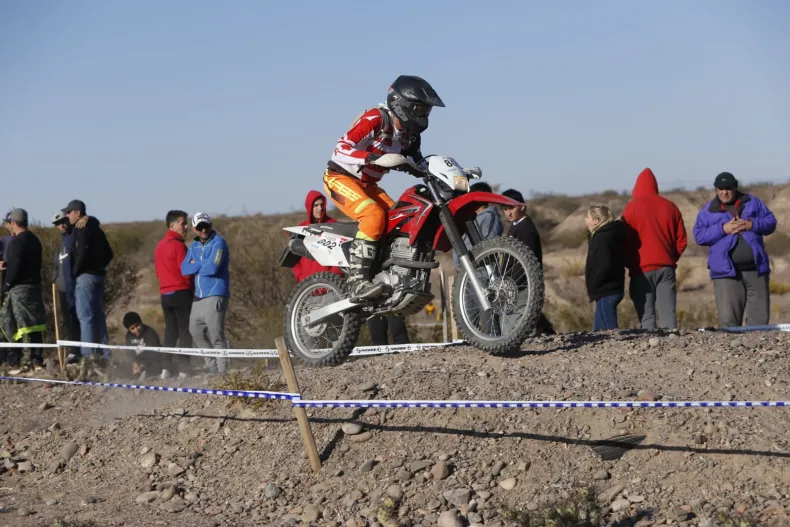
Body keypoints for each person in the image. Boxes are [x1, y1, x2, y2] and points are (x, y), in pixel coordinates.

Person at [323, 75, 445, 301]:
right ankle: (357, 282)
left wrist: (449, 172)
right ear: (402, 104)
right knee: (373, 215)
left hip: (369, 185)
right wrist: (372, 158)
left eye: (426, 111)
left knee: (399, 219)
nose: (424, 115)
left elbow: (419, 163)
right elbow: (340, 150)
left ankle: (385, 271)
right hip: (340, 177)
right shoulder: (376, 119)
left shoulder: (409, 136)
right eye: (420, 109)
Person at [692, 172, 777, 327]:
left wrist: (751, 224)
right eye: (720, 189)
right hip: (726, 274)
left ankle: (757, 344)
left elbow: (770, 222)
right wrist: (723, 229)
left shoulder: (752, 202)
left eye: (728, 188)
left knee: (760, 323)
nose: (724, 192)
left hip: (756, 270)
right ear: (716, 189)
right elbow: (699, 235)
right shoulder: (708, 211)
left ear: (735, 188)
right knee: (729, 322)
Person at [621, 168, 687, 329]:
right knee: (668, 314)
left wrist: (630, 262)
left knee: (647, 317)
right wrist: (669, 257)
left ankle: (650, 344)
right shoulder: (671, 207)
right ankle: (672, 342)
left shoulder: (631, 208)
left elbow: (624, 241)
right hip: (666, 268)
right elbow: (681, 240)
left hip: (641, 270)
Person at [500, 188, 556, 335]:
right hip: (515, 282)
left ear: (522, 206)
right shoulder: (515, 226)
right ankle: (546, 331)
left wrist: (511, 283)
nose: (508, 212)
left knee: (516, 324)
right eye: (505, 209)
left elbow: (527, 260)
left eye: (511, 208)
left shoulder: (526, 229)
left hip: (523, 282)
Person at [181, 212, 230, 376]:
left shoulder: (219, 242)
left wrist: (196, 264)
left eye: (206, 226)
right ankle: (211, 366)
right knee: (195, 331)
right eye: (200, 227)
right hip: (198, 296)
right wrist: (203, 264)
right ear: (194, 229)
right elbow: (184, 269)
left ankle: (223, 371)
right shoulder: (193, 246)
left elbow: (213, 268)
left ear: (211, 225)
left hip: (216, 293)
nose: (203, 230)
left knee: (216, 334)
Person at [64, 199, 114, 362]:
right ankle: (105, 355)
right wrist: (98, 266)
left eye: (69, 212)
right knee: (98, 316)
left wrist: (75, 271)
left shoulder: (80, 228)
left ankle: (88, 357)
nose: (67, 215)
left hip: (85, 277)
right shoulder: (96, 229)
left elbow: (81, 254)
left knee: (85, 317)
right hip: (99, 276)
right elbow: (109, 253)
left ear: (78, 212)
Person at [0, 209, 47, 373]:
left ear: (13, 222)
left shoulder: (16, 242)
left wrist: (6, 285)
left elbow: (15, 267)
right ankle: (37, 360)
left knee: (11, 324)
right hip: (35, 287)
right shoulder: (35, 240)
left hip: (19, 289)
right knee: (35, 325)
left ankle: (15, 362)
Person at [154, 209, 193, 379]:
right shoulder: (178, 245)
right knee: (185, 331)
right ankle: (184, 369)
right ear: (172, 225)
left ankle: (166, 369)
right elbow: (186, 271)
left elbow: (158, 272)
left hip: (165, 294)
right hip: (181, 292)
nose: (186, 227)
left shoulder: (159, 246)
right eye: (182, 223)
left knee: (170, 332)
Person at [584, 206, 626, 331]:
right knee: (598, 334)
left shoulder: (602, 238)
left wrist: (595, 282)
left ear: (595, 221)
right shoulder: (606, 234)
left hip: (606, 290)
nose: (585, 219)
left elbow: (605, 264)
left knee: (610, 332)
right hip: (608, 289)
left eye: (587, 217)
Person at [291, 191, 344, 282]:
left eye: (322, 205)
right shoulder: (301, 229)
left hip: (331, 283)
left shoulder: (334, 226)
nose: (320, 208)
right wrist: (301, 278)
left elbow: (342, 256)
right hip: (308, 285)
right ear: (309, 207)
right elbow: (293, 258)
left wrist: (332, 279)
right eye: (316, 205)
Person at [452, 182, 504, 269]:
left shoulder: (490, 216)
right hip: (467, 270)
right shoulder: (470, 218)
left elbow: (490, 245)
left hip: (483, 270)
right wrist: (456, 264)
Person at [51, 210, 81, 362]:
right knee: (68, 321)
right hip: (62, 289)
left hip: (75, 287)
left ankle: (82, 351)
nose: (61, 226)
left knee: (78, 320)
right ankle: (73, 351)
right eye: (58, 224)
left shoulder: (75, 238)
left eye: (63, 221)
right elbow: (56, 265)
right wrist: (54, 279)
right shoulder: (61, 244)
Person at [123, 311, 162, 380]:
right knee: (125, 365)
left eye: (137, 325)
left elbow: (153, 351)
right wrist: (134, 363)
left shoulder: (150, 332)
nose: (136, 329)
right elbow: (129, 352)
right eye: (132, 328)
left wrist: (142, 366)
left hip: (151, 359)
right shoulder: (128, 336)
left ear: (141, 323)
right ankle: (138, 372)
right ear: (129, 329)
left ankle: (146, 372)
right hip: (138, 359)